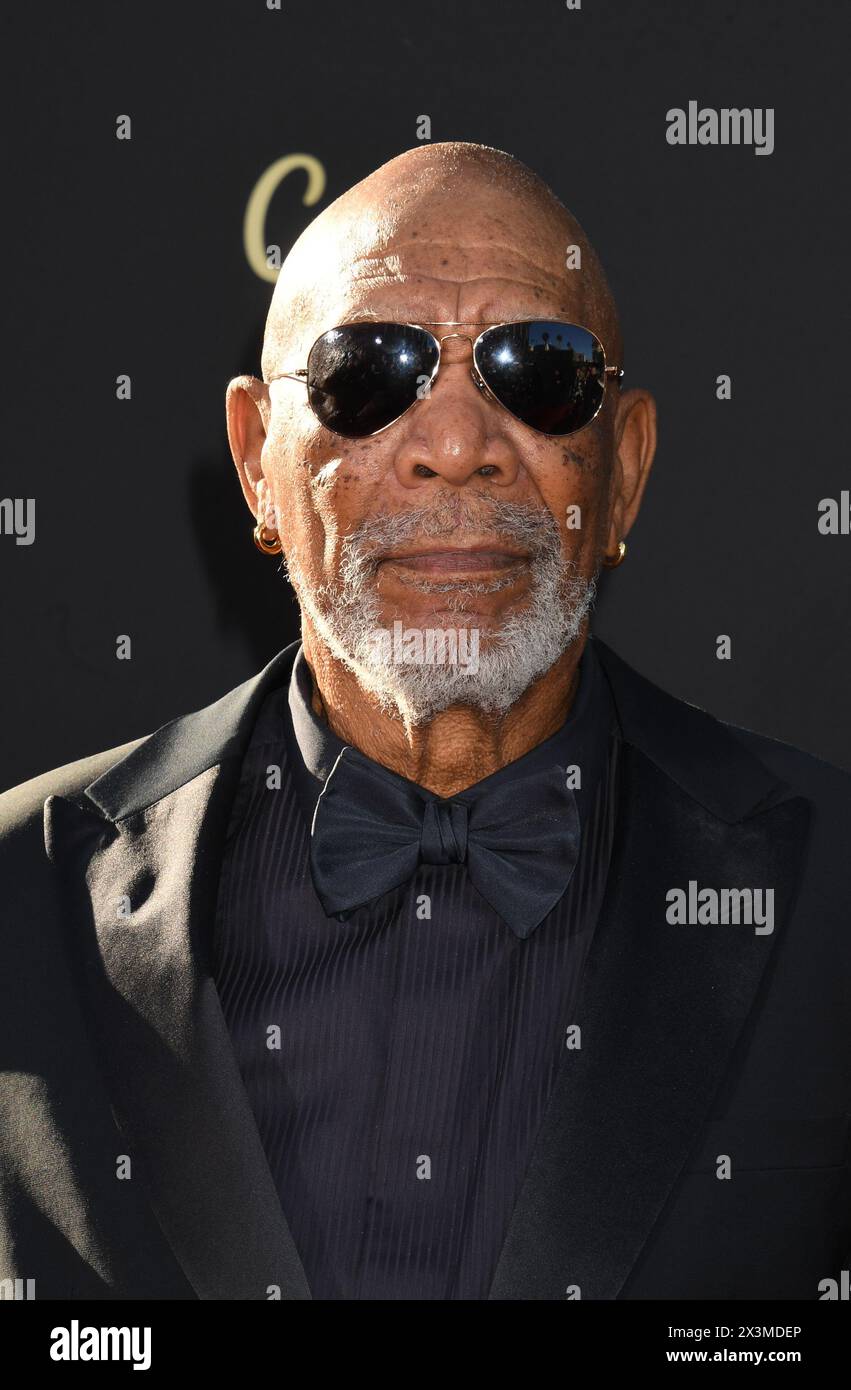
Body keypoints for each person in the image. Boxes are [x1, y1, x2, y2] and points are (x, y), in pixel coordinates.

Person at [1, 142, 849, 1302]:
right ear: (257, 461)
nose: (457, 445)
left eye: (538, 371)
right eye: (366, 372)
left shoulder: (829, 891)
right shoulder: (21, 893)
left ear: (625, 469)